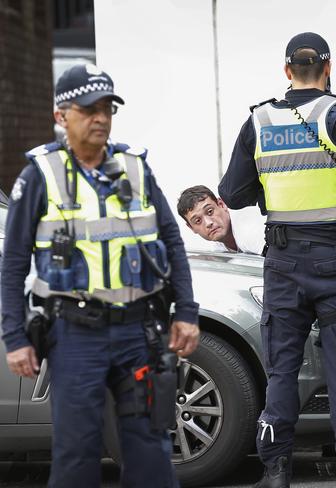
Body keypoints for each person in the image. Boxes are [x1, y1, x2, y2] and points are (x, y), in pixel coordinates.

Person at [0, 64, 200, 487]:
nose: (101, 118)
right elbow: (14, 259)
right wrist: (14, 337)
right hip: (74, 336)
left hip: (137, 333)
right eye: (88, 109)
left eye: (107, 108)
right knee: (77, 457)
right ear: (61, 116)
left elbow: (171, 240)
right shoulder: (40, 175)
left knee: (150, 454)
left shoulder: (135, 168)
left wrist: (187, 310)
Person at [218, 32, 336, 488]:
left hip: (283, 262)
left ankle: (275, 471)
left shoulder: (258, 120)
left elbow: (232, 192)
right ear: (328, 69)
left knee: (282, 368)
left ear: (286, 71)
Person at [177, 184, 265, 254]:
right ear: (191, 228)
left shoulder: (249, 229)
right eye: (198, 221)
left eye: (210, 211)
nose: (208, 223)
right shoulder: (218, 245)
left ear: (222, 205)